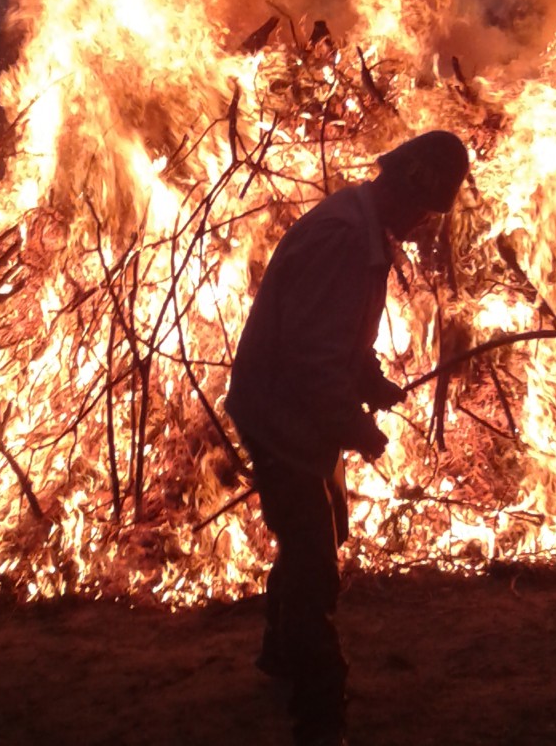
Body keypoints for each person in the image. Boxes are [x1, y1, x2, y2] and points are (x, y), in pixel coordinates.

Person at [225, 130, 470, 746]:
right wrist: (359, 429)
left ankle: (279, 655)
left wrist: (372, 381)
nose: (423, 228)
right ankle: (319, 708)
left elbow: (338, 340)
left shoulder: (361, 230)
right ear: (409, 194)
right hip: (282, 416)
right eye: (426, 213)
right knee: (313, 561)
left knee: (315, 531)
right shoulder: (341, 238)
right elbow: (311, 359)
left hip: (299, 413)